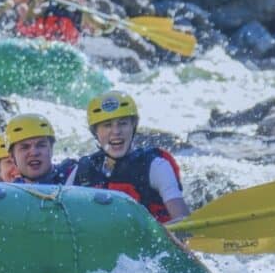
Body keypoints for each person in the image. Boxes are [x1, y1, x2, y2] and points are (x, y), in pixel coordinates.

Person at [67, 91, 190, 223]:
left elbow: (183, 222)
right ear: (95, 132)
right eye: (107, 125)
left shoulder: (155, 167)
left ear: (133, 127)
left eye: (123, 123)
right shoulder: (83, 172)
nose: (116, 131)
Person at [15, 0, 108, 44]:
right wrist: (34, 2)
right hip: (45, 44)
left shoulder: (81, 11)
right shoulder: (47, 7)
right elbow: (29, 18)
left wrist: (110, 24)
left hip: (66, 50)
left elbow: (102, 25)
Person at [3, 113, 76, 184]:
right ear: (12, 156)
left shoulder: (73, 175)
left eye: (41, 145)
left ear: (51, 149)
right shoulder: (10, 191)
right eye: (25, 147)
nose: (34, 153)